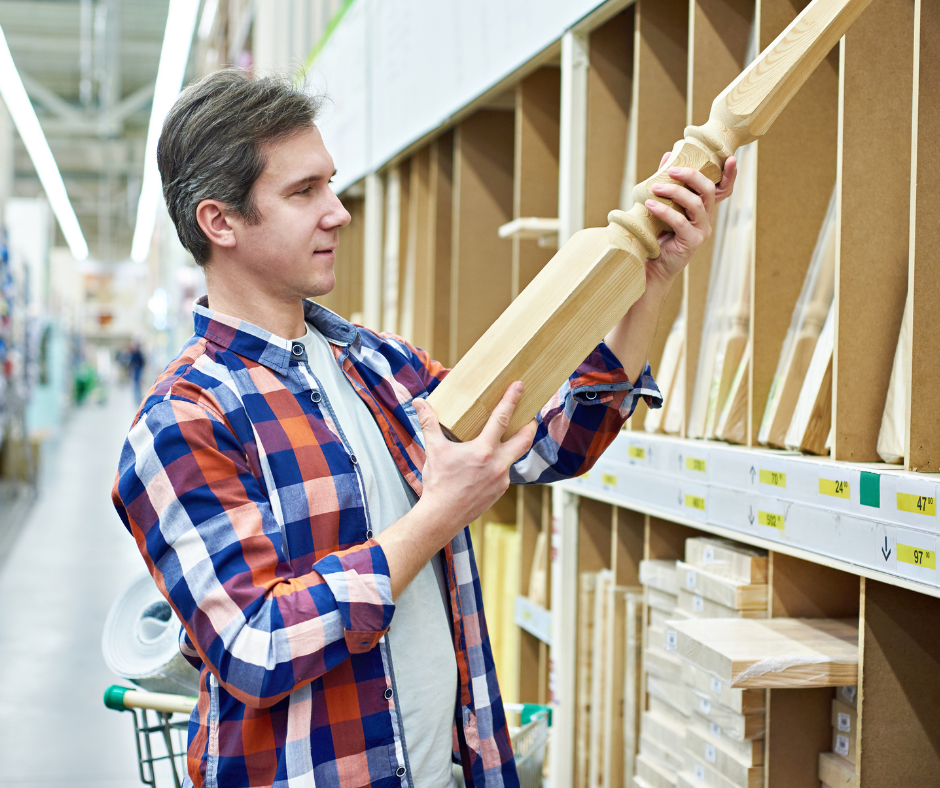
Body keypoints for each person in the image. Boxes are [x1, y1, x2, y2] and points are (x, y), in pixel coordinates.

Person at [112, 69, 735, 788]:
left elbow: (557, 446)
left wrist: (648, 281)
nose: (338, 212)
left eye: (330, 184)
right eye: (303, 191)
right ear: (220, 222)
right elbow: (258, 646)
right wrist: (438, 516)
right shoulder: (181, 422)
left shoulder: (381, 366)